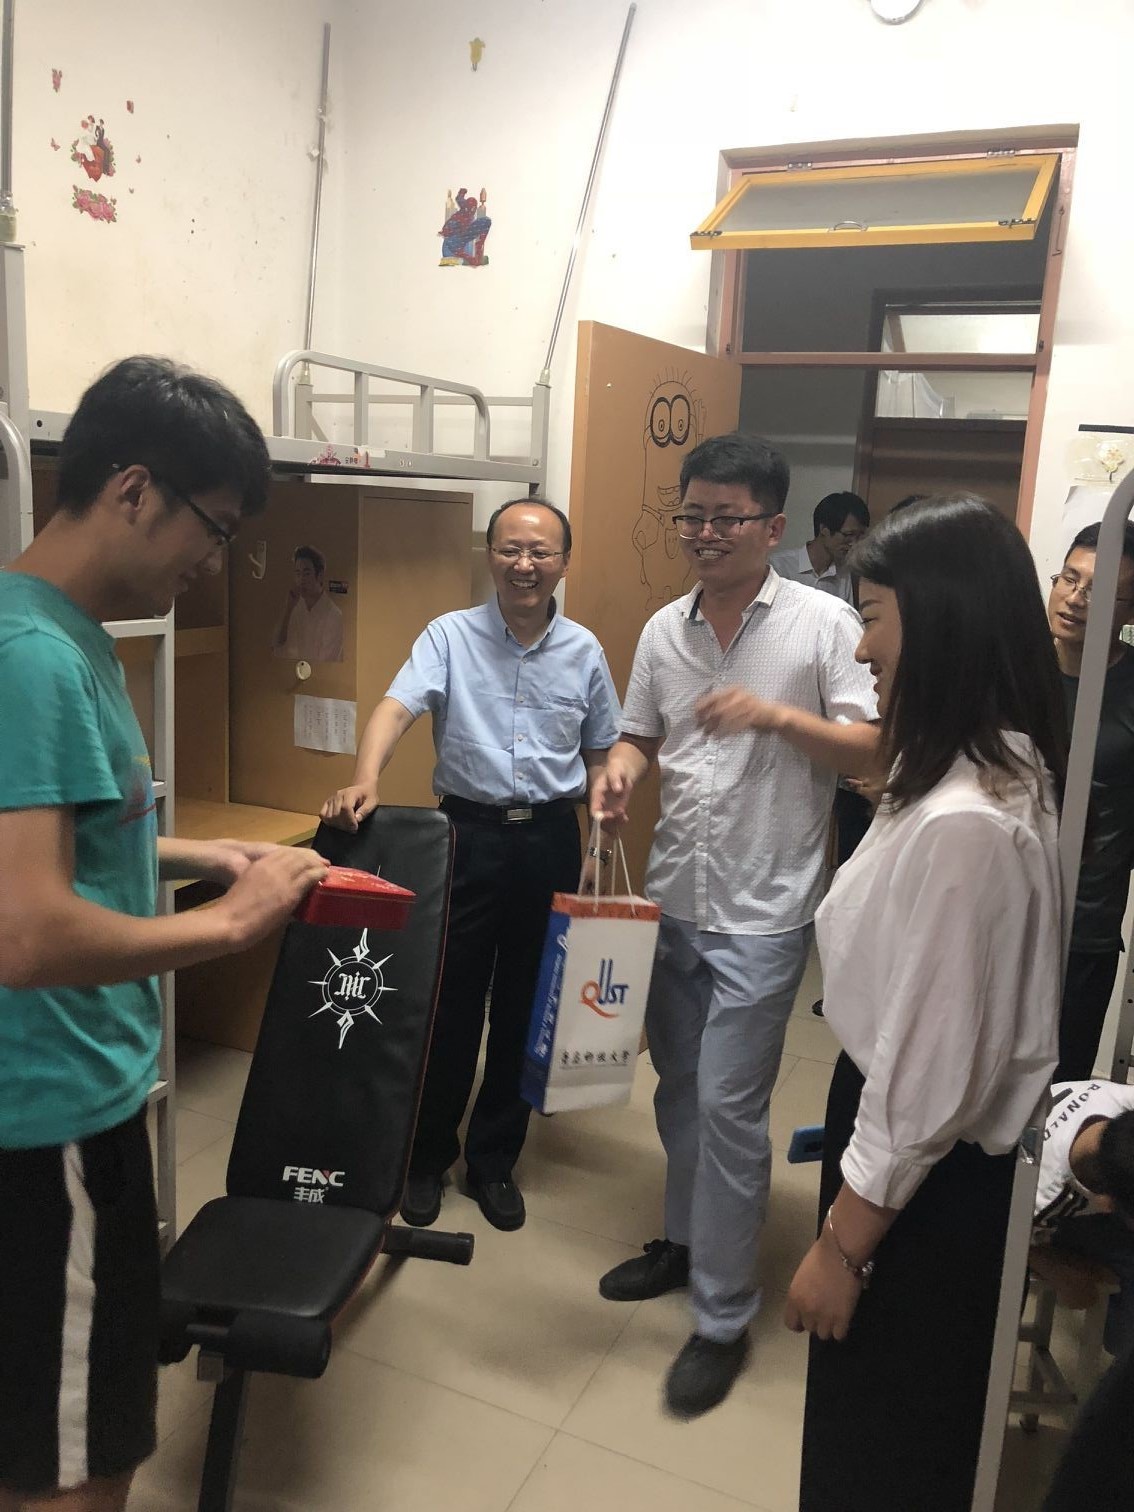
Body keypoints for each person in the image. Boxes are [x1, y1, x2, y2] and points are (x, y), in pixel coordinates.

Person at [0, 356, 329, 1512]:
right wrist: (231, 924)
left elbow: (62, 838)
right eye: (216, 528)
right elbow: (26, 932)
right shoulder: (34, 660)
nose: (216, 560)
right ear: (134, 488)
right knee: (82, 1466)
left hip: (64, 1108)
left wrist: (196, 856)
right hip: (50, 1123)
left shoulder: (57, 630)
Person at [784, 495, 1066, 1512]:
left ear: (940, 621)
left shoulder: (968, 824)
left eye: (872, 618)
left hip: (920, 1181)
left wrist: (841, 1248)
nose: (862, 649)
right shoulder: (989, 765)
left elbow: (931, 1075)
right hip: (917, 1157)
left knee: (881, 1448)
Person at [590, 432, 879, 1419]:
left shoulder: (823, 623)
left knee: (725, 1107)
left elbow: (870, 751)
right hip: (675, 896)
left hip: (766, 911)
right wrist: (619, 773)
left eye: (727, 518)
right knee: (678, 1090)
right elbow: (639, 734)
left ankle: (721, 1315)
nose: (705, 534)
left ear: (772, 525)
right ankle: (684, 1241)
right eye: (693, 515)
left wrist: (774, 718)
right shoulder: (662, 630)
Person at [321, 497, 619, 1232]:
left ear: (563, 563)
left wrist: (600, 841)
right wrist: (366, 776)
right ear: (490, 555)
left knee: (525, 1003)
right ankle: (426, 1157)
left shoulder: (584, 650)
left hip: (549, 839)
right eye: (511, 549)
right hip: (464, 836)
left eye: (540, 552)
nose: (524, 564)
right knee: (446, 1003)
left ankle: (493, 1161)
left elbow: (601, 752)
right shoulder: (449, 635)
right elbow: (396, 706)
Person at [1049, 522, 1134, 1079]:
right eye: (1068, 579)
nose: (1075, 599)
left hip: (1085, 931)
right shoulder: (1010, 671)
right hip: (996, 917)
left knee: (1061, 1094)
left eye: (1099, 592)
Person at [1031, 1078, 1134, 1357]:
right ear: (1107, 1203)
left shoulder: (1123, 1101)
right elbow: (1078, 1295)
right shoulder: (1040, 1196)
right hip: (1041, 1227)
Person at [769, 489, 869, 604]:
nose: (854, 543)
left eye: (859, 536)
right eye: (848, 535)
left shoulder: (843, 574)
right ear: (824, 530)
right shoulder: (780, 567)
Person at [272, 544, 344, 663]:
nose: (301, 580)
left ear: (320, 575)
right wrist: (288, 609)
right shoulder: (295, 606)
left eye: (306, 574)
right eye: (298, 574)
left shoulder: (334, 615)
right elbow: (277, 647)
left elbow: (327, 661)